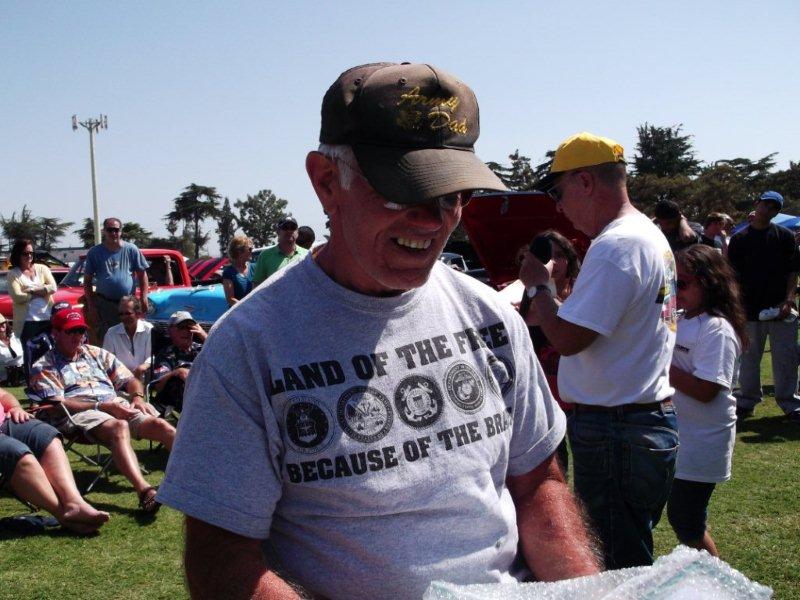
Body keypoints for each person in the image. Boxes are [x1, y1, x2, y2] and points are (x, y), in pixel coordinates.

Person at [158, 62, 601, 600]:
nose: (433, 220)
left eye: (452, 194)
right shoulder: (249, 346)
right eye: (402, 191)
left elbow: (537, 484)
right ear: (326, 182)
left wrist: (586, 594)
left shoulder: (490, 317)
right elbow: (221, 559)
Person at [520, 131, 678, 569]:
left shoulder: (616, 246)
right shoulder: (645, 235)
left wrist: (538, 285)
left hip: (616, 428)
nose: (558, 206)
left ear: (585, 182)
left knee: (615, 567)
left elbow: (568, 338)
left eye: (558, 192)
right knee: (628, 553)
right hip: (641, 420)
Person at [28, 308, 175, 513]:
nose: (77, 336)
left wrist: (137, 397)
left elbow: (130, 379)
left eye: (80, 331)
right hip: (79, 414)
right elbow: (56, 405)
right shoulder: (44, 365)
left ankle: (195, 478)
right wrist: (102, 406)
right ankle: (145, 491)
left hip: (115, 404)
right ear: (56, 333)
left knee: (162, 426)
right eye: (70, 331)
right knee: (118, 426)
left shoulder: (96, 353)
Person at [666, 245, 747, 557]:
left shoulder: (717, 328)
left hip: (703, 440)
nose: (676, 291)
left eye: (683, 283)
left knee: (686, 520)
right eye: (672, 282)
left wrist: (661, 365)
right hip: (680, 435)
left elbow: (706, 389)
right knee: (682, 516)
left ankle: (719, 578)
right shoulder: (680, 317)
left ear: (709, 283)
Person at [727, 191, 800, 423]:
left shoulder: (785, 236)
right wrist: (735, 307)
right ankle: (746, 401)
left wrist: (789, 300)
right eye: (765, 204)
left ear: (777, 212)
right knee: (749, 360)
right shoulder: (739, 239)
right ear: (757, 203)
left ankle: (790, 404)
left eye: (773, 207)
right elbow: (733, 277)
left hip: (781, 309)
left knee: (786, 359)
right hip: (749, 309)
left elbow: (793, 272)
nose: (768, 209)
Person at [0, 387, 110, 533]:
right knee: (18, 454)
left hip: (4, 421)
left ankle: (74, 502)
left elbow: (3, 394)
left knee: (47, 436)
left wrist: (15, 407)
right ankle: (63, 515)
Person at [519, 230, 581, 475]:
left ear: (569, 260)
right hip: (541, 400)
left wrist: (542, 291)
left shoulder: (582, 296)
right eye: (547, 256)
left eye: (559, 255)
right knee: (554, 468)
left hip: (576, 400)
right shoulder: (523, 297)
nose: (553, 262)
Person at [83, 217, 150, 344]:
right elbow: (87, 281)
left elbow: (142, 275)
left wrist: (143, 297)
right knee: (107, 338)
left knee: (130, 336)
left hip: (128, 303)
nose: (113, 233)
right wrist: (91, 306)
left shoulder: (131, 249)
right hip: (105, 304)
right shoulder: (94, 252)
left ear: (121, 231)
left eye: (116, 230)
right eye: (110, 230)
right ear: (104, 231)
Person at [150, 311, 206, 413]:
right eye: (181, 327)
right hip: (182, 402)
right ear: (170, 331)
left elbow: (225, 359)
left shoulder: (203, 349)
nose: (186, 331)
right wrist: (177, 372)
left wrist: (204, 336)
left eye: (189, 327)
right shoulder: (166, 354)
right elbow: (158, 386)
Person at [7, 239, 57, 349]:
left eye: (31, 253)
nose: (29, 256)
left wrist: (31, 290)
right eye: (25, 253)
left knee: (49, 353)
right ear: (18, 254)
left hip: (47, 319)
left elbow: (53, 287)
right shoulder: (13, 274)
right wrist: (41, 291)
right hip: (28, 323)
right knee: (30, 355)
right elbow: (17, 297)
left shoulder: (42, 268)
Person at [102, 296, 153, 381]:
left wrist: (142, 367)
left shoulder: (149, 330)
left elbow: (152, 356)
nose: (124, 317)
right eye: (121, 314)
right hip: (121, 379)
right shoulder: (111, 333)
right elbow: (106, 360)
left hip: (145, 376)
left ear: (138, 314)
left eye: (128, 313)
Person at [251, 218, 308, 286]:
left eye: (293, 227)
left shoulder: (306, 255)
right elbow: (257, 285)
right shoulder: (265, 255)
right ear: (278, 232)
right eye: (285, 227)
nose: (289, 231)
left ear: (297, 232)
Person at [221, 235, 255, 307]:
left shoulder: (255, 267)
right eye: (250, 249)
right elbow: (230, 299)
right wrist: (248, 307)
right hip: (240, 312)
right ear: (239, 251)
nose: (252, 251)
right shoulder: (228, 272)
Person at [0, 315, 24, 386]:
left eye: (2, 323)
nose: (1, 326)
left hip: (23, 376)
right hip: (4, 378)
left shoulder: (15, 336)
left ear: (6, 323)